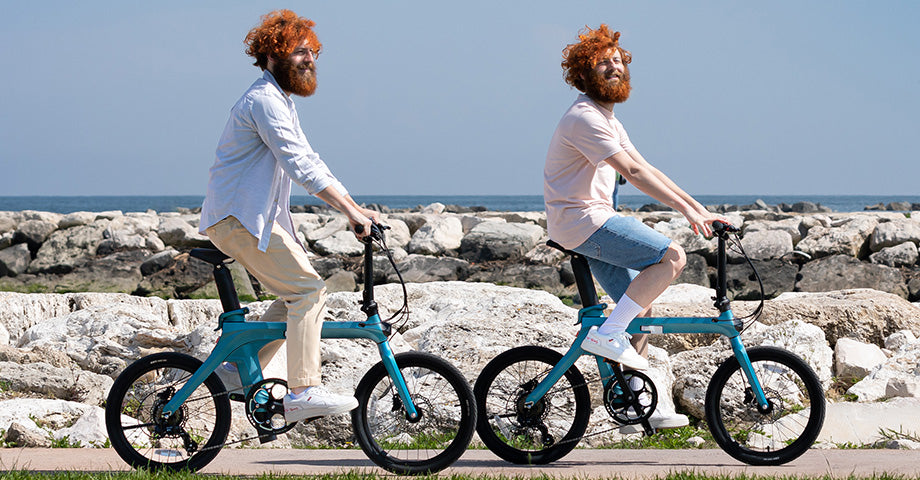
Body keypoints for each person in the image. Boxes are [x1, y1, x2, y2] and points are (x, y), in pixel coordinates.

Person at [199, 10, 379, 422]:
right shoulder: (263, 100)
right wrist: (349, 210)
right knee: (308, 293)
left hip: (243, 218)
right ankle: (303, 390)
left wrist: (354, 206)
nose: (310, 59)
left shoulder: (279, 101)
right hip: (237, 218)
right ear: (271, 56)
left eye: (313, 52)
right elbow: (300, 164)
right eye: (299, 52)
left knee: (297, 293)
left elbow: (309, 158)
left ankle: (232, 370)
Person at [543, 25, 725, 431]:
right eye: (601, 63)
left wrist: (699, 209)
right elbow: (634, 172)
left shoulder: (607, 119)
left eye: (617, 60)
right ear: (583, 75)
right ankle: (609, 336)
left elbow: (650, 167)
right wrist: (686, 213)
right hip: (584, 220)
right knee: (672, 257)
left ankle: (636, 406)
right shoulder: (583, 118)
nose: (613, 67)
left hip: (583, 223)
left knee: (637, 310)